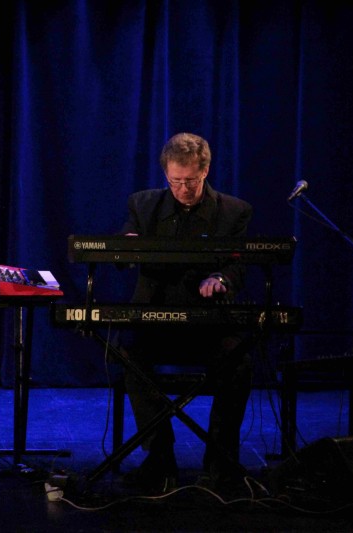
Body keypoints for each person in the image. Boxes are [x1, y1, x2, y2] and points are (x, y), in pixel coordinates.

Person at [118, 132, 254, 494]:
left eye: (190, 181)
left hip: (209, 323)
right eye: (175, 181)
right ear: (166, 174)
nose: (183, 189)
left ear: (205, 171)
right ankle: (159, 459)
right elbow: (122, 247)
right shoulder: (143, 205)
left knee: (239, 362)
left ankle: (220, 461)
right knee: (128, 352)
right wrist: (127, 247)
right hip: (155, 320)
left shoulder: (234, 211)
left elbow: (238, 265)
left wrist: (220, 278)